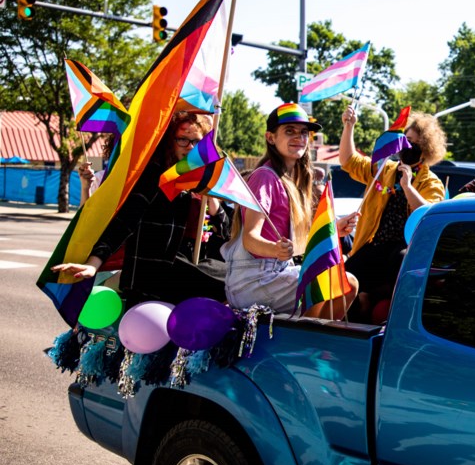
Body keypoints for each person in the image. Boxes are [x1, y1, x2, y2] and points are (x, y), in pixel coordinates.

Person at [52, 112, 229, 305]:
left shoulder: (204, 182)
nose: (191, 147)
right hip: (152, 282)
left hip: (189, 276)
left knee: (231, 281)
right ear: (170, 141)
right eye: (183, 140)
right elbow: (124, 221)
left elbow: (226, 231)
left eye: (196, 141)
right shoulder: (154, 177)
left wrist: (210, 197)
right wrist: (93, 264)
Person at [222, 103, 357, 320]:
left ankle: (311, 336)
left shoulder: (294, 180)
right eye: (289, 131)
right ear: (271, 137)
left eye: (304, 132)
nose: (299, 137)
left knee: (345, 280)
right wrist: (274, 249)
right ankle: (305, 341)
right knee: (333, 281)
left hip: (276, 273)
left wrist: (333, 231)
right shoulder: (265, 177)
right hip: (254, 280)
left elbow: (298, 245)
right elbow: (250, 239)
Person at [339, 105, 446, 323]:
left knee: (401, 261)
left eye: (414, 143)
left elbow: (429, 215)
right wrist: (349, 126)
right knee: (343, 279)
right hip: (374, 244)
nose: (408, 146)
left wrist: (408, 187)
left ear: (425, 149)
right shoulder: (383, 169)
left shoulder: (431, 182)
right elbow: (348, 160)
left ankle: (389, 316)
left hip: (403, 248)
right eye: (405, 140)